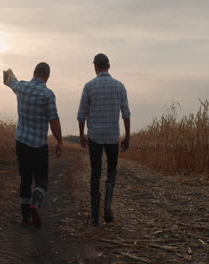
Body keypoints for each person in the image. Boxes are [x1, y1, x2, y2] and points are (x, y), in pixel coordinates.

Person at [3, 62, 63, 227]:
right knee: (42, 180)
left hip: (21, 142)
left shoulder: (22, 87)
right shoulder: (48, 95)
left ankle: (26, 217)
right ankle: (35, 204)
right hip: (39, 146)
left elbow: (10, 81)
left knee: (25, 179)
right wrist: (59, 142)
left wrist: (9, 75)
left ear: (34, 72)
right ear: (47, 76)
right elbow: (54, 121)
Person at [77, 53, 131, 226]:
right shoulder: (119, 86)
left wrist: (81, 135)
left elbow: (81, 115)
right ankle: (108, 205)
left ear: (95, 66)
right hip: (112, 136)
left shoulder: (89, 86)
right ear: (108, 66)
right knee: (112, 171)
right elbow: (126, 114)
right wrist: (127, 136)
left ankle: (94, 216)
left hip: (95, 138)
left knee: (95, 173)